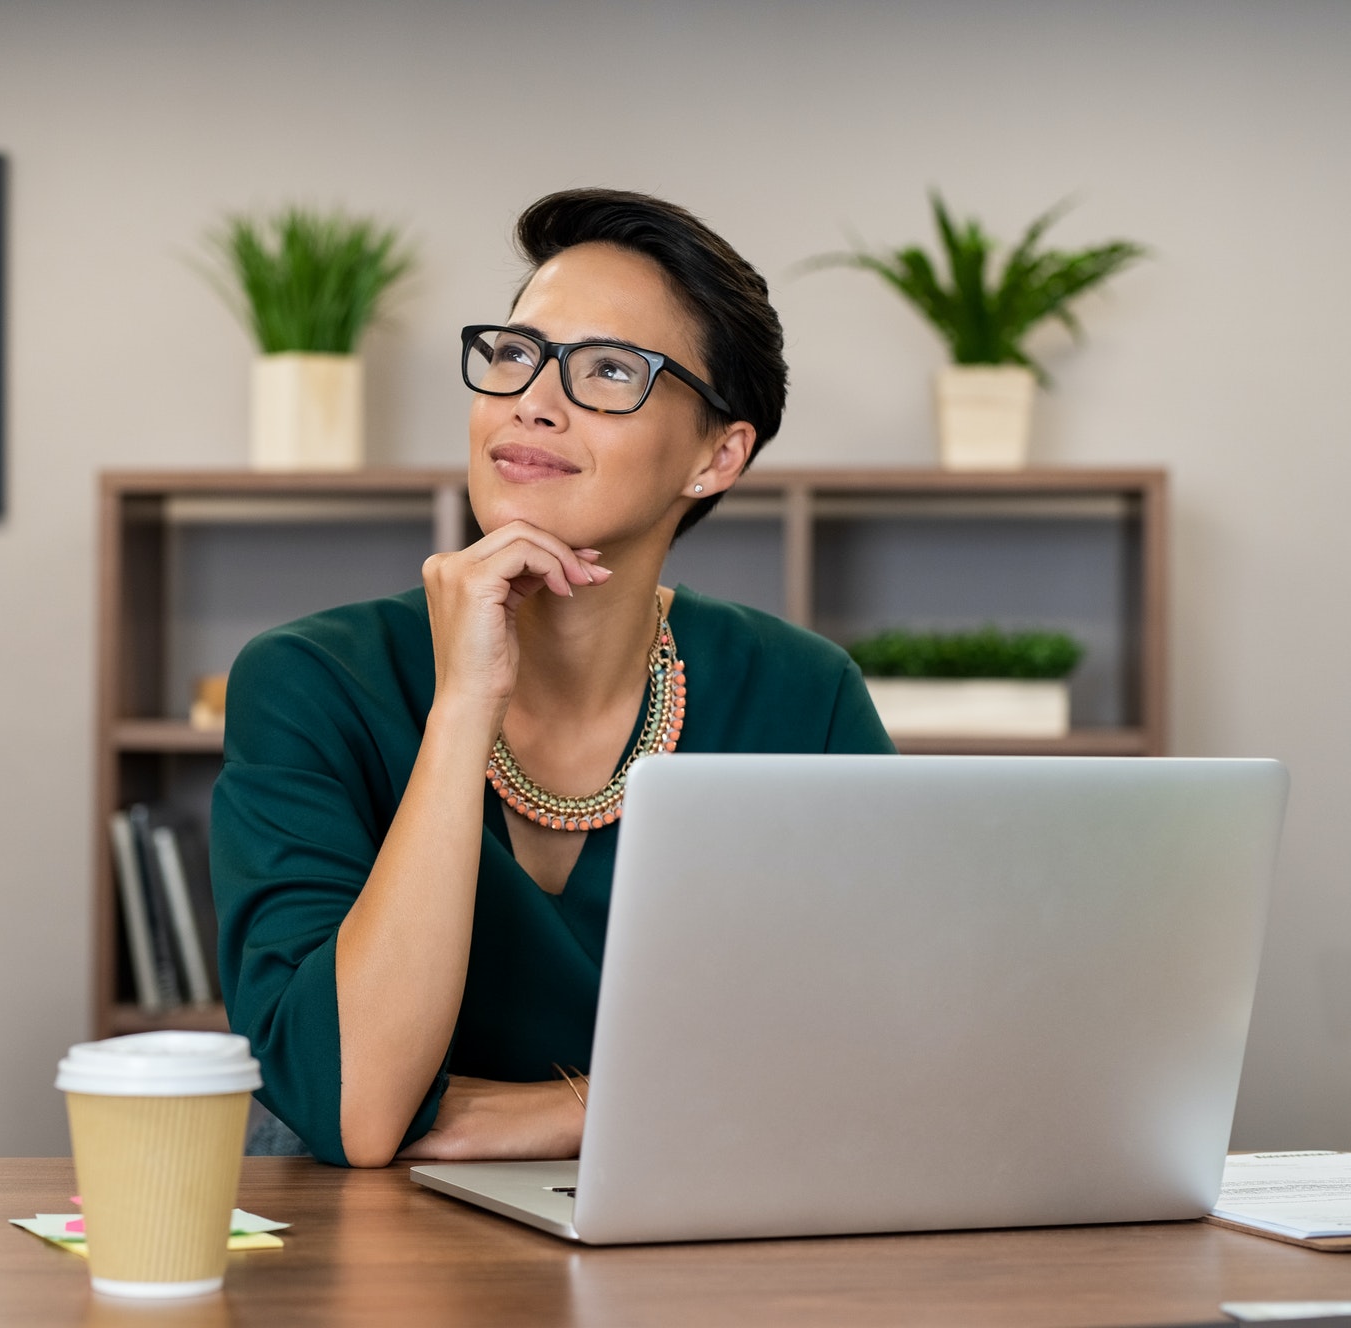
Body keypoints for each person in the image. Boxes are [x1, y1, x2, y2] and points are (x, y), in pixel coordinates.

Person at [211, 188, 895, 1168]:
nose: (532, 398)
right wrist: (461, 706)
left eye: (608, 368)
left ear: (716, 454)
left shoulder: (801, 694)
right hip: (371, 1256)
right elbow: (359, 1106)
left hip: (687, 1224)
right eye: (513, 354)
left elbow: (875, 1050)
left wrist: (550, 1111)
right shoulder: (307, 681)